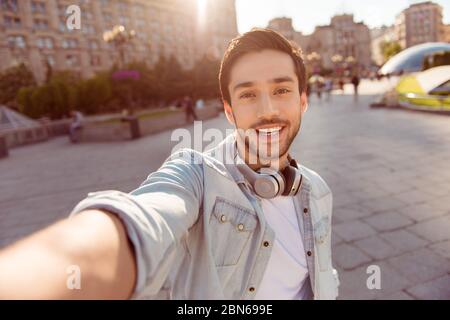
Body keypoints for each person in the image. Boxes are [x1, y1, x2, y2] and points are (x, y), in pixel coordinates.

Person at [0, 29, 339, 300]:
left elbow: (321, 273)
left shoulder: (317, 191)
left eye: (281, 90)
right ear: (230, 110)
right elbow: (145, 218)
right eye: (248, 94)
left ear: (303, 101)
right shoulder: (198, 175)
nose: (268, 109)